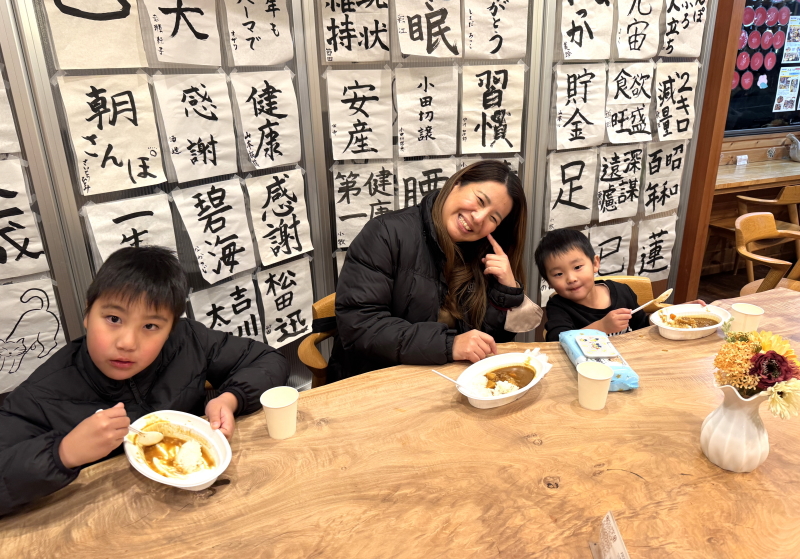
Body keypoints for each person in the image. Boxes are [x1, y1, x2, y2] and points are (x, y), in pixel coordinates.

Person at [0, 247, 288, 517]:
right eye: (113, 318)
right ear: (88, 314)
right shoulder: (43, 393)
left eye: (150, 326)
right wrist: (63, 453)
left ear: (170, 328)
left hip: (203, 504)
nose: (127, 343)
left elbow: (268, 360)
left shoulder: (187, 339)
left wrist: (230, 398)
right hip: (106, 520)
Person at [331, 160, 542, 381]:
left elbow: (487, 345)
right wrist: (449, 344)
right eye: (479, 200)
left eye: (493, 218)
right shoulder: (386, 233)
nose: (479, 218)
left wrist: (506, 291)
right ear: (456, 184)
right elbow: (361, 327)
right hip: (373, 383)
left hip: (445, 383)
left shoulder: (481, 255)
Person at [536, 228, 705, 342]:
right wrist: (601, 327)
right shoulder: (559, 306)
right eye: (558, 274)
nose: (571, 278)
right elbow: (556, 340)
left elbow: (642, 326)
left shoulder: (622, 292)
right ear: (549, 281)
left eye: (577, 267)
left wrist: (674, 314)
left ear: (595, 263)